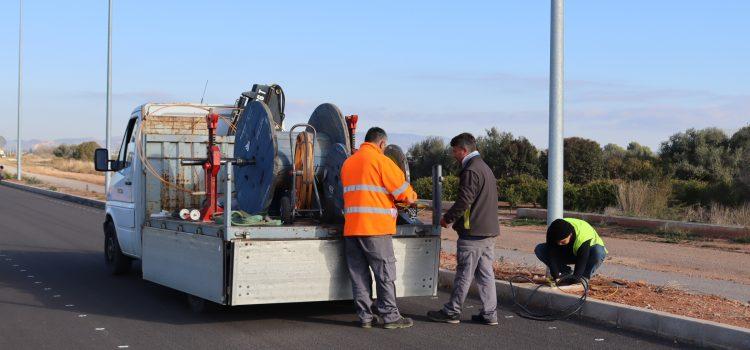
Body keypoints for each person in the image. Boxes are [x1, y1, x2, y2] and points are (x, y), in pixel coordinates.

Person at [340, 127, 418, 329]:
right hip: (375, 229)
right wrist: (412, 199)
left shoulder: (348, 163)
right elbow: (404, 193)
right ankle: (390, 317)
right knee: (384, 273)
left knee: (359, 276)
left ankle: (365, 317)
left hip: (351, 229)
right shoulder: (382, 161)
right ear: (382, 144)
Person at [427, 132, 500, 326]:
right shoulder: (485, 168)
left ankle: (452, 311)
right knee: (485, 275)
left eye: (454, 151)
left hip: (472, 232)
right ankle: (489, 314)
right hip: (488, 231)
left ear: (464, 150)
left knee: (464, 274)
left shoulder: (470, 170)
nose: (453, 154)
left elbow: (464, 200)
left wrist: (448, 218)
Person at [535, 218, 608, 284]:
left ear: (570, 234)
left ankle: (584, 278)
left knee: (598, 252)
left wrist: (575, 280)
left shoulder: (582, 235)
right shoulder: (553, 231)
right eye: (557, 242)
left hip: (588, 253)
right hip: (570, 252)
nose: (559, 244)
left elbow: (582, 260)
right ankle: (565, 273)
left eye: (563, 242)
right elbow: (551, 255)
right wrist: (556, 276)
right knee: (540, 249)